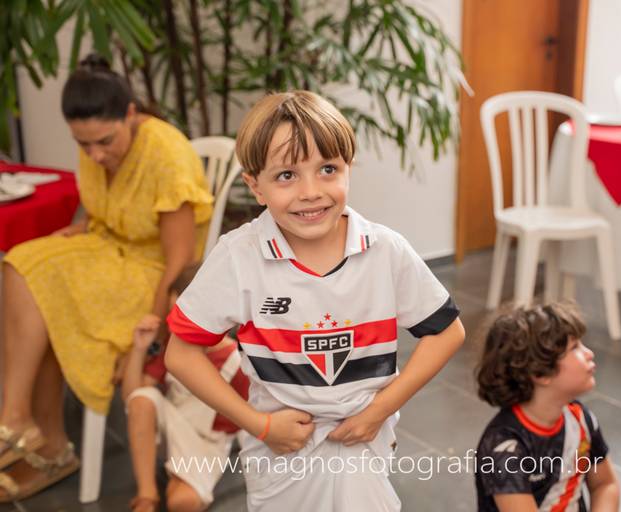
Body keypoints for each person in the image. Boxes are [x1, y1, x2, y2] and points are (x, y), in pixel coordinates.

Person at [162, 90, 465, 511]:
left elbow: (447, 332)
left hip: (364, 440)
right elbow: (180, 355)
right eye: (287, 175)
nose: (310, 192)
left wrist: (379, 411)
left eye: (327, 169)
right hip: (280, 451)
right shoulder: (238, 257)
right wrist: (260, 425)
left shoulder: (386, 250)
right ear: (255, 186)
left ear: (348, 168)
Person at [0, 54, 212, 501]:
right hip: (107, 251)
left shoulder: (167, 154)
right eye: (83, 144)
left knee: (43, 287)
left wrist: (155, 332)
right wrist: (81, 228)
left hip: (152, 274)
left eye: (104, 141)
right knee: (22, 263)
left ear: (130, 113)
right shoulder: (97, 149)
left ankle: (35, 435)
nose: (95, 154)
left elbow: (178, 261)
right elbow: (110, 209)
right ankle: (28, 426)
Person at [123, 264, 249, 512]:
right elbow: (134, 398)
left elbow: (248, 424)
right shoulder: (174, 346)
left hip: (206, 442)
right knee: (143, 399)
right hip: (172, 427)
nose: (175, 325)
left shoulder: (237, 361)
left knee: (182, 502)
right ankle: (146, 495)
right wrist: (139, 349)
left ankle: (178, 477)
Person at [474, 302, 620, 512]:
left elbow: (605, 485)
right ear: (540, 373)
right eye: (575, 347)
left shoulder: (580, 418)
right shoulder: (505, 448)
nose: (589, 353)